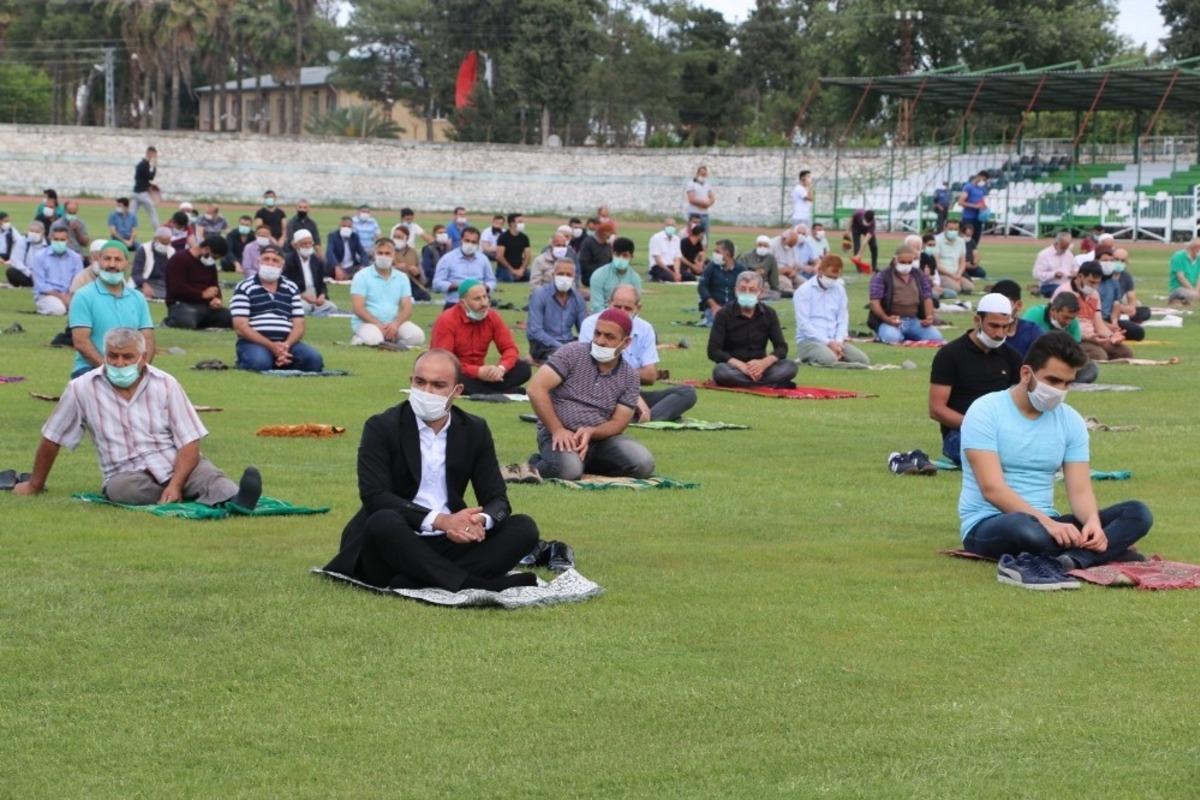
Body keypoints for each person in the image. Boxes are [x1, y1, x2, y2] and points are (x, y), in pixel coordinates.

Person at [321, 349, 540, 592]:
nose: (426, 392)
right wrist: (441, 521)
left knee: (523, 527)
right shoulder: (382, 426)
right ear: (410, 382)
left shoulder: (474, 430)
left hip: (449, 542)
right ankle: (469, 583)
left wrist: (478, 521)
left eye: (438, 385)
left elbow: (497, 499)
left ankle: (419, 580)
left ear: (457, 391)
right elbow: (375, 496)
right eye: (420, 382)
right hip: (397, 538)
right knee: (383, 520)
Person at [957, 332, 1152, 576]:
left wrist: (1092, 521)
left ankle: (1073, 559)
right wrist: (1048, 524)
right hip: (992, 522)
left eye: (1067, 383)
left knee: (1137, 513)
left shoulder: (1071, 420)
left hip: (1050, 522)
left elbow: (1079, 489)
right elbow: (992, 489)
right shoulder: (985, 411)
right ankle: (1106, 552)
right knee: (1026, 530)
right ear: (1026, 374)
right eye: (1052, 380)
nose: (1059, 390)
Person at [13, 327, 263, 511]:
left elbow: (189, 441)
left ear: (142, 359)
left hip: (174, 462)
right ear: (106, 354)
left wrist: (175, 483)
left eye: (127, 357)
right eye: (113, 356)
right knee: (122, 490)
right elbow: (52, 437)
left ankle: (236, 500)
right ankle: (189, 494)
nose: (119, 363)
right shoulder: (82, 388)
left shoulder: (166, 384)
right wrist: (35, 484)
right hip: (127, 473)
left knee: (208, 474)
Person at [527, 308, 655, 480]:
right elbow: (536, 388)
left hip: (600, 439)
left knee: (643, 463)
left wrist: (592, 432)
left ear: (626, 343)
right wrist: (557, 429)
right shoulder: (572, 353)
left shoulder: (630, 376)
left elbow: (619, 422)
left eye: (609, 337)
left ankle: (576, 463)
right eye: (597, 333)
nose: (600, 341)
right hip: (558, 433)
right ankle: (535, 466)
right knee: (569, 471)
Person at [928, 294, 1022, 467]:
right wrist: (979, 426)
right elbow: (936, 409)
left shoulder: (1012, 357)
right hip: (960, 433)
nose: (999, 333)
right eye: (993, 326)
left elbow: (1022, 401)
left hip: (1003, 432)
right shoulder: (950, 354)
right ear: (977, 320)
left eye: (1005, 327)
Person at [579, 286, 695, 422]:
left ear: (638, 309)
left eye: (627, 309)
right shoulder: (591, 325)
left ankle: (645, 417)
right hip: (601, 392)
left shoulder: (645, 329)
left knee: (687, 393)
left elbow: (650, 375)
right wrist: (633, 390)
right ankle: (643, 416)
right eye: (617, 307)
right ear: (609, 304)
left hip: (632, 393)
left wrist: (626, 384)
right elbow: (596, 372)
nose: (622, 313)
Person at [68, 240, 156, 379]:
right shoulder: (83, 296)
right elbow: (81, 342)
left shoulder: (137, 298)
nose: (112, 264)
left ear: (127, 264)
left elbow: (148, 339)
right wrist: (108, 370)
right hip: (91, 369)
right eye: (107, 259)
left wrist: (140, 370)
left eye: (118, 259)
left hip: (131, 370)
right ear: (99, 261)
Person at [230, 244, 324, 372]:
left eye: (275, 260)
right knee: (259, 363)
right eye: (266, 259)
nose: (270, 263)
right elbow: (240, 327)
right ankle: (267, 360)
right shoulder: (244, 287)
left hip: (287, 343)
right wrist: (271, 346)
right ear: (259, 262)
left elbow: (299, 324)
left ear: (282, 265)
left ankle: (280, 359)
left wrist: (286, 345)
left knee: (314, 360)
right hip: (254, 342)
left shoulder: (291, 287)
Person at [431, 279, 531, 396]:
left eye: (485, 297)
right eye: (477, 299)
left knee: (523, 368)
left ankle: (488, 391)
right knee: (452, 377)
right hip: (459, 373)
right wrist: (477, 372)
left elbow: (510, 348)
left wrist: (501, 368)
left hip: (482, 375)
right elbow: (443, 361)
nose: (484, 303)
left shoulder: (492, 316)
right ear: (463, 303)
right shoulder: (447, 320)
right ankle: (499, 391)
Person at [708, 271, 797, 388]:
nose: (747, 293)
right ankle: (769, 383)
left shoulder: (769, 313)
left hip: (761, 368)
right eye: (743, 289)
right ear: (736, 290)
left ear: (760, 292)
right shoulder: (723, 314)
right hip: (735, 368)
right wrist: (741, 366)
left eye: (752, 290)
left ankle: (752, 383)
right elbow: (714, 351)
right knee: (720, 371)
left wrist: (764, 363)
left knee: (790, 366)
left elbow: (781, 348)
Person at [793, 254, 870, 367]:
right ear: (819, 271)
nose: (832, 280)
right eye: (829, 276)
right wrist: (828, 343)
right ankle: (834, 362)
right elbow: (804, 324)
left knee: (863, 360)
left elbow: (843, 318)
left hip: (835, 340)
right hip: (810, 341)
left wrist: (838, 342)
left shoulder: (839, 289)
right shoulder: (804, 291)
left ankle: (833, 360)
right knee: (829, 359)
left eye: (835, 278)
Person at [349, 238, 425, 349]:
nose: (383, 256)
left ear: (393, 255)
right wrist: (378, 325)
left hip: (393, 323)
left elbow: (407, 308)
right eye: (380, 253)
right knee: (375, 340)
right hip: (367, 323)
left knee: (417, 336)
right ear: (374, 255)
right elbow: (358, 308)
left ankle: (392, 341)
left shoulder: (402, 278)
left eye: (387, 253)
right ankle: (359, 339)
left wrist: (395, 325)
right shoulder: (361, 276)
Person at [1053, 261, 1131, 362]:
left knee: (1124, 352)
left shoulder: (1094, 295)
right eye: (1091, 282)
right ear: (1080, 276)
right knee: (1099, 355)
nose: (1094, 287)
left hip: (1093, 337)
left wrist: (1112, 336)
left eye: (1098, 283)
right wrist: (1087, 337)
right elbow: (1059, 322)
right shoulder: (1064, 292)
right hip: (1073, 337)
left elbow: (1098, 323)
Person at [867, 244, 943, 345]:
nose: (906, 265)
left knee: (936, 338)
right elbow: (874, 302)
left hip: (913, 320)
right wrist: (887, 319)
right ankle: (887, 333)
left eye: (909, 262)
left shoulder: (919, 275)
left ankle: (902, 335)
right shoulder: (882, 276)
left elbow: (927, 298)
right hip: (888, 321)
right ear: (895, 260)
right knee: (892, 338)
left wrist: (929, 316)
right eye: (902, 262)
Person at [164, 235, 232, 329]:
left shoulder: (210, 265)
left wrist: (216, 299)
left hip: (205, 306)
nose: (213, 260)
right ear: (206, 249)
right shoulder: (179, 259)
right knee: (186, 321)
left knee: (232, 318)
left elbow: (214, 286)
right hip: (182, 304)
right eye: (214, 257)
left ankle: (200, 323)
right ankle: (172, 321)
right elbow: (176, 288)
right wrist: (201, 294)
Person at [526, 258, 587, 362]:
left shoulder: (578, 298)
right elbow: (535, 331)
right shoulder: (540, 294)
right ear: (553, 274)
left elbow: (584, 329)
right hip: (543, 344)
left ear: (574, 277)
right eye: (561, 274)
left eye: (568, 275)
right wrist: (562, 347)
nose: (564, 277)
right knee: (562, 360)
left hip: (568, 342)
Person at [433, 226, 496, 308]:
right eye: (467, 241)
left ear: (478, 243)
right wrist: (458, 286)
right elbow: (437, 283)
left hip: (479, 304)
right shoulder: (447, 258)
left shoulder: (483, 259)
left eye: (473, 242)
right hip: (455, 303)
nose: (470, 244)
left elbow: (491, 281)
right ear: (461, 240)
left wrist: (485, 287)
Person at [32, 227, 83, 316]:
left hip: (69, 294)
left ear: (68, 240)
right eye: (56, 239)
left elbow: (78, 281)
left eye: (62, 240)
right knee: (59, 310)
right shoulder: (40, 256)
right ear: (51, 239)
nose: (59, 242)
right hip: (47, 295)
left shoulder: (75, 258)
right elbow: (41, 285)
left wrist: (69, 296)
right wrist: (62, 297)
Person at [283, 230, 336, 316]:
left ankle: (313, 312)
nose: (308, 246)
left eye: (310, 243)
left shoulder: (317, 260)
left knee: (332, 307)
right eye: (304, 244)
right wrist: (302, 296)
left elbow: (321, 284)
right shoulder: (289, 260)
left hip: (315, 297)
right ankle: (313, 313)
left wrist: (322, 295)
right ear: (296, 245)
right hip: (298, 296)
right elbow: (286, 284)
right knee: (304, 307)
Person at [989, 279, 1042, 359]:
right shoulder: (984, 334)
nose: (998, 311)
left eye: (1004, 306)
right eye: (994, 306)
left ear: (1018, 305)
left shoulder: (1032, 333)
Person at [1098, 249, 1143, 343]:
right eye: (1105, 261)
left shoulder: (1114, 281)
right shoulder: (1093, 280)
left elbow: (1116, 304)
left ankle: (1112, 332)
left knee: (1138, 332)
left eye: (1110, 261)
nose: (1109, 264)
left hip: (1109, 318)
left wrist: (1114, 323)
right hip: (1095, 320)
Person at [697, 239, 744, 326]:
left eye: (717, 251)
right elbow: (702, 287)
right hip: (713, 308)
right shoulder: (711, 267)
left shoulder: (741, 269)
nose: (715, 254)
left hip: (734, 308)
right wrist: (714, 306)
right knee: (718, 323)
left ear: (727, 253)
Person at [587, 237, 641, 312]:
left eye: (625, 255)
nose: (621, 258)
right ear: (612, 253)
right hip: (601, 318)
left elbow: (634, 305)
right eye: (617, 255)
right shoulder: (598, 275)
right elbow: (597, 306)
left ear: (631, 257)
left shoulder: (635, 278)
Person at [387, 223, 429, 301]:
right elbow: (380, 269)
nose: (396, 239)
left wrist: (417, 273)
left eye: (399, 237)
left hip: (411, 282)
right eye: (394, 237)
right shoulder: (386, 250)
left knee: (425, 297)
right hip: (392, 283)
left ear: (407, 238)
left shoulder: (413, 252)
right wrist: (395, 268)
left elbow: (422, 278)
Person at [131, 226, 173, 299]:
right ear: (155, 239)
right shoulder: (143, 249)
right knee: (137, 293)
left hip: (164, 285)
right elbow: (136, 273)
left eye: (167, 243)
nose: (165, 246)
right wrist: (144, 285)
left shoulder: (172, 251)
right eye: (163, 243)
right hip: (146, 282)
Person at [933, 219, 974, 294]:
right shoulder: (936, 240)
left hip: (956, 273)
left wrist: (958, 274)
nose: (953, 231)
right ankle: (938, 288)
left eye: (955, 229)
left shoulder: (961, 241)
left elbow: (962, 261)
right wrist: (953, 276)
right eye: (950, 229)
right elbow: (937, 264)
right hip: (942, 274)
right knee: (956, 288)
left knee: (969, 288)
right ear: (945, 228)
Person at [1032, 230, 1076, 297]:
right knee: (1064, 291)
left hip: (1067, 284)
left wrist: (1074, 273)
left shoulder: (1069, 254)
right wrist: (1053, 274)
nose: (1064, 250)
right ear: (1057, 243)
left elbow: (1075, 268)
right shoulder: (1044, 255)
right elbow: (1036, 274)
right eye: (1062, 247)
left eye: (1066, 248)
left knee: (1086, 289)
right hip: (1049, 285)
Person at [327, 215, 368, 281]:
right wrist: (337, 266)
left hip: (351, 267)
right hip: (338, 266)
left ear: (352, 227)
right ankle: (348, 276)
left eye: (349, 226)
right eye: (344, 226)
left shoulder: (355, 237)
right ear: (339, 226)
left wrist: (363, 265)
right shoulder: (333, 236)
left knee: (368, 267)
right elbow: (329, 252)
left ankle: (348, 276)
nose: (346, 228)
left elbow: (362, 253)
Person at [6, 220, 45, 288]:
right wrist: (29, 273)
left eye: (37, 232)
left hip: (42, 274)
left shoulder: (48, 244)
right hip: (27, 273)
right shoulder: (22, 241)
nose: (34, 234)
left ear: (43, 233)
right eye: (31, 231)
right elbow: (17, 261)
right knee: (11, 272)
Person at [495, 212, 531, 282]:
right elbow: (499, 256)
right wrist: (512, 270)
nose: (522, 224)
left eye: (522, 222)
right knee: (509, 279)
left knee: (530, 277)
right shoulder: (503, 237)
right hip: (505, 268)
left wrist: (522, 269)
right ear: (512, 223)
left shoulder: (524, 238)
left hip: (520, 268)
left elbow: (528, 256)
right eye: (520, 222)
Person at [648, 217, 686, 282]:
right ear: (664, 226)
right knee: (670, 278)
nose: (671, 227)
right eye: (668, 225)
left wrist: (677, 272)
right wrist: (672, 273)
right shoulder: (656, 238)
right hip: (659, 267)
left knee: (689, 277)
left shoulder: (676, 239)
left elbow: (677, 258)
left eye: (673, 225)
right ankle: (655, 278)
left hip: (671, 266)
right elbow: (658, 260)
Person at [578, 220, 614, 287]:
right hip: (590, 278)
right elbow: (584, 264)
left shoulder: (607, 245)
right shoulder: (588, 243)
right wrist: (601, 271)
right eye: (611, 233)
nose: (612, 236)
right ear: (603, 233)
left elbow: (610, 262)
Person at [958, 171, 989, 248]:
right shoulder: (968, 187)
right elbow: (960, 202)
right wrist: (974, 206)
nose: (983, 182)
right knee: (966, 241)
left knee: (975, 242)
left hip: (978, 219)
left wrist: (984, 207)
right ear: (978, 176)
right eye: (983, 179)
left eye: (985, 181)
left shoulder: (981, 189)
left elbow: (981, 201)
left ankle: (972, 258)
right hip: (968, 218)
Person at [131, 146, 159, 229]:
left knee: (131, 215)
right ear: (149, 153)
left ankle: (127, 231)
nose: (154, 157)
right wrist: (154, 167)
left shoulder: (140, 164)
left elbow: (142, 179)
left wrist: (150, 185)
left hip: (135, 193)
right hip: (143, 194)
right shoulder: (145, 165)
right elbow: (151, 177)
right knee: (152, 213)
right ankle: (159, 233)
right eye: (154, 155)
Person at [1167, 237, 1200, 304]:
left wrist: (1196, 290)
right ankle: (1175, 299)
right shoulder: (1178, 256)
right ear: (1195, 248)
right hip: (1179, 288)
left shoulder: (1198, 259)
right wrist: (1193, 291)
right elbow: (1181, 277)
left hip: (1193, 289)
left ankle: (1181, 301)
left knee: (1195, 295)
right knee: (1193, 295)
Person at [684, 164, 715, 231]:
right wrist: (704, 203)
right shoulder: (691, 183)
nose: (703, 175)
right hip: (694, 214)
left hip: (705, 214)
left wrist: (708, 204)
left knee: (704, 237)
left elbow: (712, 197)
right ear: (697, 173)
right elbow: (691, 199)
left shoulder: (708, 184)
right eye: (701, 173)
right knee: (693, 233)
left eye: (704, 173)